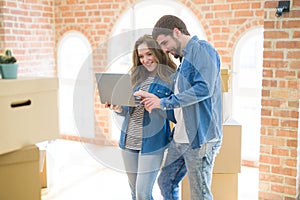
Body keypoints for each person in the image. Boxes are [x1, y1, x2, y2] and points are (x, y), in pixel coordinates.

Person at [134, 15, 223, 200]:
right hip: (181, 137)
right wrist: (155, 99)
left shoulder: (202, 50)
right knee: (166, 181)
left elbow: (204, 88)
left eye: (165, 43)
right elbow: (177, 98)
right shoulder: (183, 61)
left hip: (200, 139)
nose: (165, 50)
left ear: (177, 32)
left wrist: (164, 102)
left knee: (200, 194)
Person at [105, 34, 177, 200]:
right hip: (128, 142)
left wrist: (154, 104)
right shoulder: (136, 77)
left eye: (149, 54)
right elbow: (126, 109)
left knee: (143, 194)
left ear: (159, 52)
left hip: (152, 144)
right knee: (134, 193)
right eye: (141, 56)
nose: (145, 60)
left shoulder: (171, 77)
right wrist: (117, 107)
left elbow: (176, 115)